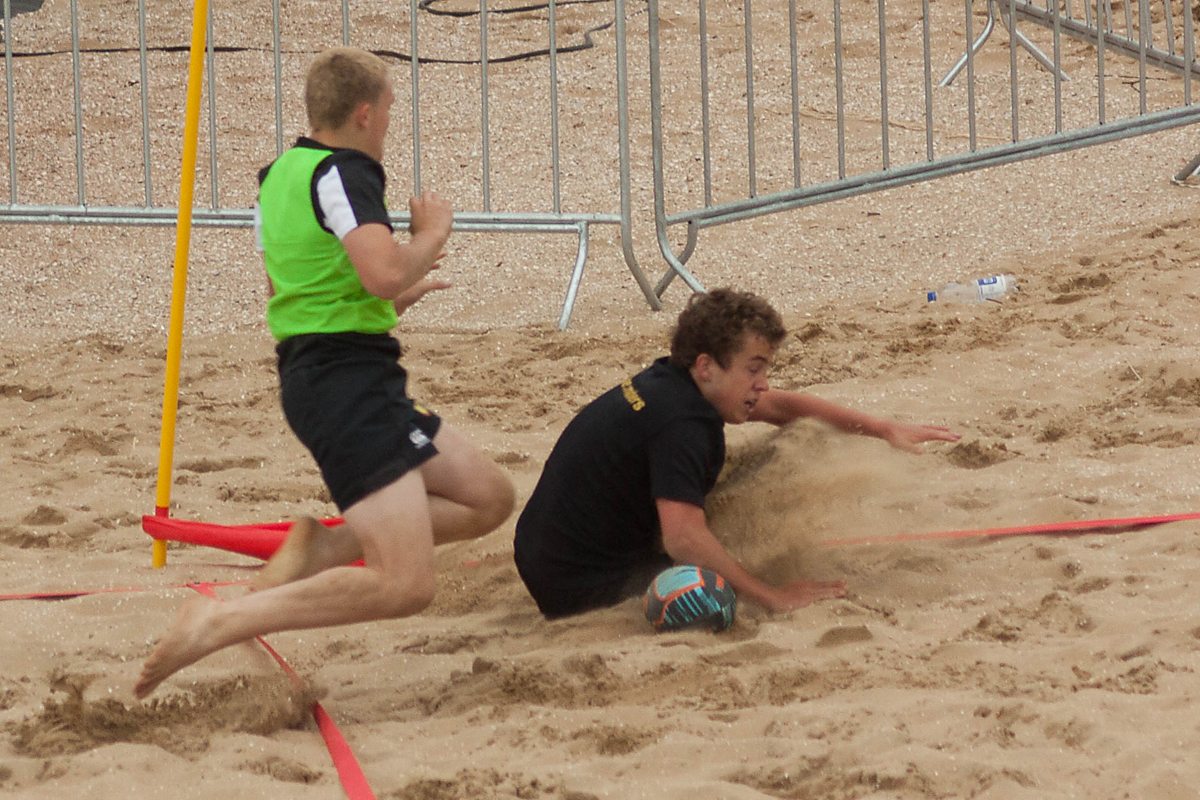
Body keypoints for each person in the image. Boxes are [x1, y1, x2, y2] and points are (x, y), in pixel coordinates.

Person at [136, 47, 514, 698]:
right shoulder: (346, 171)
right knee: (405, 585)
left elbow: (304, 298)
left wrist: (389, 303)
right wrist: (430, 235)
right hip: (346, 387)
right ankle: (222, 621)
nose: (390, 121)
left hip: (336, 372)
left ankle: (326, 548)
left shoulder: (278, 177)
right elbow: (384, 271)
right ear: (364, 113)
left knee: (488, 497)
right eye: (389, 108)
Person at [513, 288, 960, 619]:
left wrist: (883, 429)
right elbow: (683, 538)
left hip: (544, 554)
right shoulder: (682, 424)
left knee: (775, 455)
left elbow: (781, 407)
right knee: (709, 604)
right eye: (754, 369)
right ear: (707, 366)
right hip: (581, 588)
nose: (762, 383)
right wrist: (772, 596)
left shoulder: (673, 382)